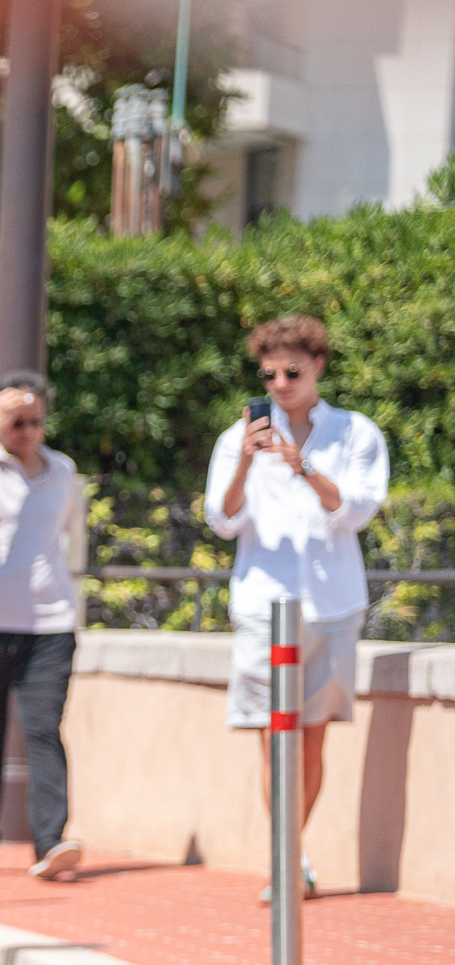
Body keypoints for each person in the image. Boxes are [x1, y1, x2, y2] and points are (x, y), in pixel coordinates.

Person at [205, 313, 388, 900]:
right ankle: (287, 859)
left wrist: (301, 464)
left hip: (332, 603)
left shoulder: (356, 433)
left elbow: (356, 510)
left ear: (317, 367)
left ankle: (292, 853)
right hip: (264, 602)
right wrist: (246, 462)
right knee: (271, 735)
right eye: (269, 374)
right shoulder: (239, 438)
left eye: (291, 371)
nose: (280, 383)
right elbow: (223, 519)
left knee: (311, 737)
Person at [0, 373, 83, 880]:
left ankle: (50, 842)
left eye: (34, 422)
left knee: (44, 729)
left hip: (49, 623)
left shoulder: (62, 471)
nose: (25, 431)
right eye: (15, 422)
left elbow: (64, 533)